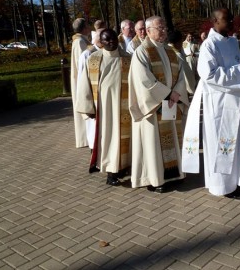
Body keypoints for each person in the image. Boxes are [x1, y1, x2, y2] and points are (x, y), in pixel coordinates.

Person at [182, 8, 240, 200]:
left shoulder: (232, 42)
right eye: (227, 19)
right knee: (222, 142)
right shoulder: (209, 45)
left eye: (231, 18)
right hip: (220, 104)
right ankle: (223, 186)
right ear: (215, 22)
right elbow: (208, 74)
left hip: (238, 100)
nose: (231, 22)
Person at [128, 16, 189, 193]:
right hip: (154, 106)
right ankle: (155, 179)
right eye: (159, 28)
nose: (163, 31)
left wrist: (176, 93)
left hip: (171, 103)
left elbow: (181, 76)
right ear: (148, 31)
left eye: (164, 28)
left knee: (173, 139)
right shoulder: (142, 52)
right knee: (153, 142)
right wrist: (168, 94)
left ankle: (175, 174)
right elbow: (143, 81)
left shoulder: (170, 51)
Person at [76, 29, 132, 186]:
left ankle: (123, 167)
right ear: (101, 42)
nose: (111, 42)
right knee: (108, 139)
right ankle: (110, 172)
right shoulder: (94, 59)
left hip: (125, 106)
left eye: (113, 38)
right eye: (107, 40)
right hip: (105, 108)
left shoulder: (128, 58)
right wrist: (88, 108)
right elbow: (84, 84)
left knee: (125, 139)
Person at [77, 27, 105, 155]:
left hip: (105, 97)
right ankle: (94, 150)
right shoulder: (87, 54)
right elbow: (82, 78)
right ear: (97, 39)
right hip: (92, 96)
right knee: (93, 127)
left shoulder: (108, 52)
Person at [70, 18, 91, 148]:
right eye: (88, 24)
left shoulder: (82, 40)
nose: (89, 27)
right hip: (81, 80)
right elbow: (82, 63)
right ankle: (84, 138)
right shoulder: (79, 42)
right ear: (83, 28)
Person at [167, 30, 197, 96]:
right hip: (177, 89)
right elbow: (187, 74)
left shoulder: (166, 49)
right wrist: (192, 87)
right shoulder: (177, 55)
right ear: (177, 42)